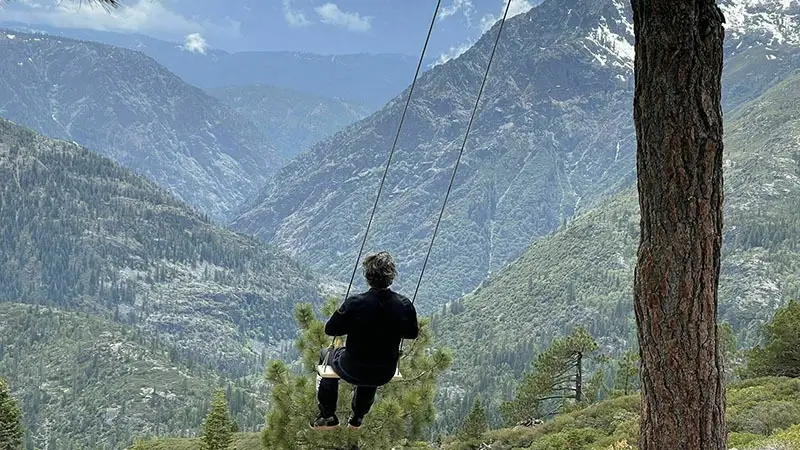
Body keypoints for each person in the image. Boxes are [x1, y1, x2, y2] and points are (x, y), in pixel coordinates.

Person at [310, 251, 420, 430]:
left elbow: (330, 329)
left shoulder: (355, 303)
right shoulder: (404, 304)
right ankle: (358, 416)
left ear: (368, 276)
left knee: (326, 355)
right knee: (373, 368)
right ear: (391, 277)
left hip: (351, 368)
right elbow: (412, 333)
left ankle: (327, 414)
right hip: (384, 371)